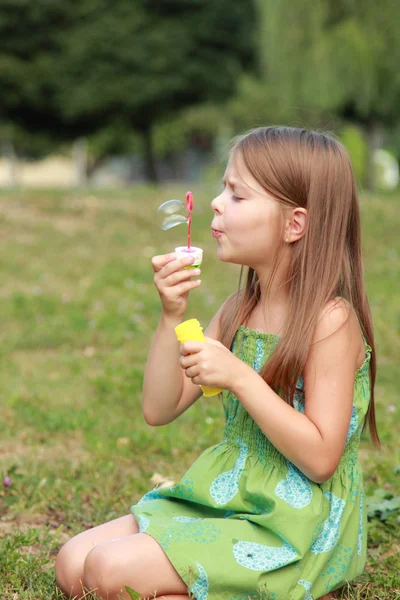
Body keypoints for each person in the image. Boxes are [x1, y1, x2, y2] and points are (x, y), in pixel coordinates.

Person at [55, 126, 379, 600]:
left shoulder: (330, 321)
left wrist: (241, 378)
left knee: (108, 570)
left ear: (295, 224)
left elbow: (322, 459)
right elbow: (159, 408)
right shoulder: (237, 311)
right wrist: (172, 315)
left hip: (293, 524)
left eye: (237, 194)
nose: (215, 203)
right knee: (71, 564)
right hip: (227, 499)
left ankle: (297, 582)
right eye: (222, 188)